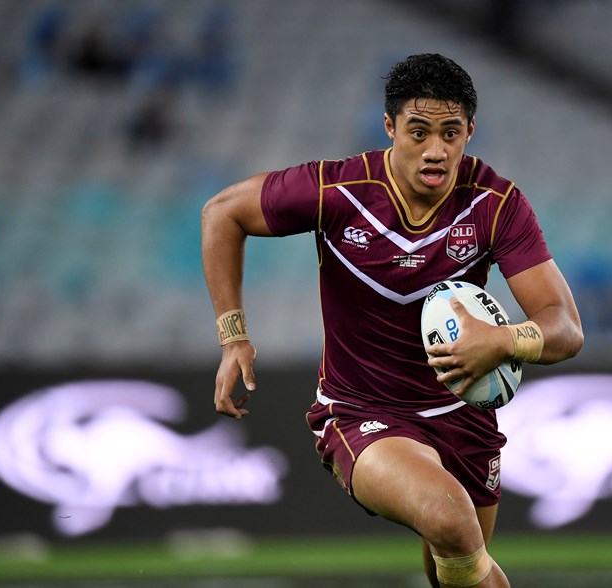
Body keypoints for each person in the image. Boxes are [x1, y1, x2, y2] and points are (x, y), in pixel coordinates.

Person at [201, 53, 583, 587]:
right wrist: (233, 337)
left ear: (470, 131)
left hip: (465, 417)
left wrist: (502, 340)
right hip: (363, 413)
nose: (436, 149)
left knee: (455, 565)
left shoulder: (496, 205)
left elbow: (565, 328)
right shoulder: (337, 191)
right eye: (419, 131)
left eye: (451, 133)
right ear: (390, 127)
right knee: (451, 520)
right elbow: (223, 212)